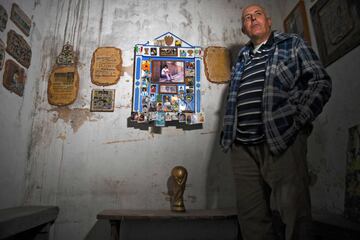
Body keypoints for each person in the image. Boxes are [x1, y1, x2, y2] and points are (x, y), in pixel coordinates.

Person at [220, 4, 331, 240]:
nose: (252, 19)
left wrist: (298, 121)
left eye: (257, 14)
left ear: (269, 21)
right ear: (244, 28)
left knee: (295, 213)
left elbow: (320, 82)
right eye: (247, 18)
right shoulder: (242, 58)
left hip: (282, 139)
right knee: (251, 219)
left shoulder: (293, 43)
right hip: (242, 146)